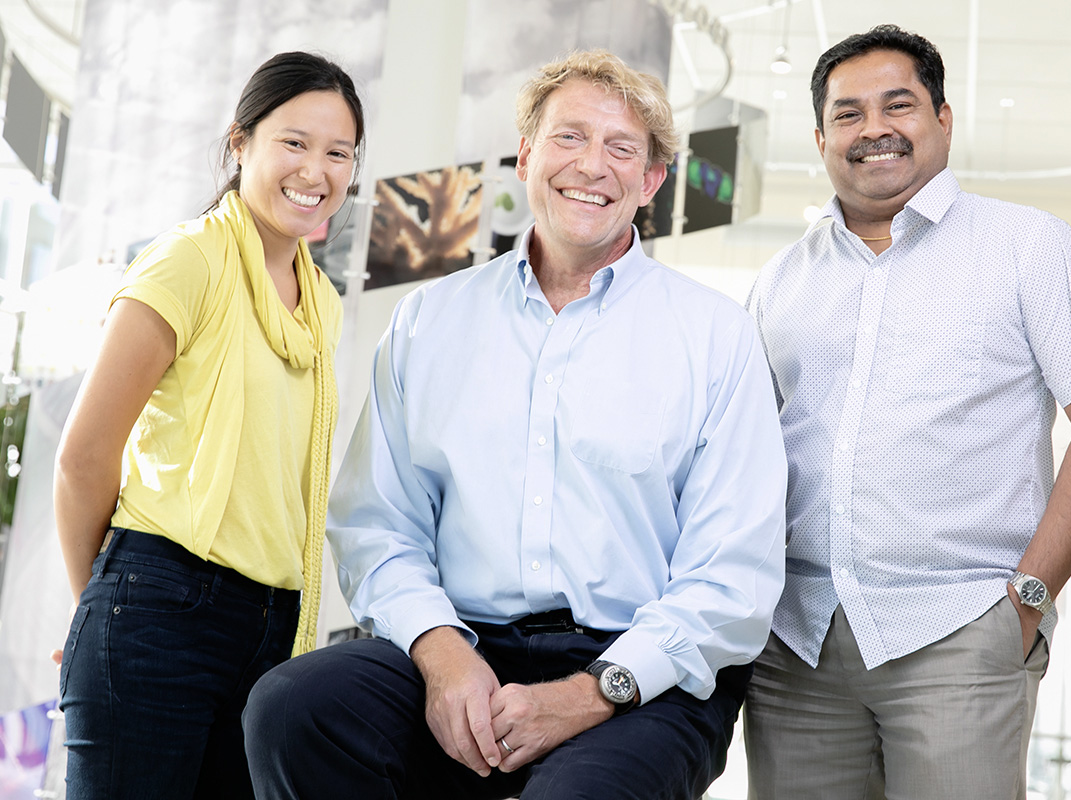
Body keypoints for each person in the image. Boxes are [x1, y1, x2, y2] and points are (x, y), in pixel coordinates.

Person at [242, 48, 787, 800]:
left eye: (621, 148)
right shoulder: (429, 320)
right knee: (295, 708)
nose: (592, 166)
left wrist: (588, 693)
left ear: (651, 181)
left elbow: (732, 577)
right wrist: (441, 654)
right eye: (569, 138)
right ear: (526, 156)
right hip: (463, 645)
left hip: (641, 676)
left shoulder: (715, 337)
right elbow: (377, 525)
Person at [742, 24, 1071, 800]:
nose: (875, 129)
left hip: (959, 632)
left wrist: (1028, 601)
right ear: (822, 136)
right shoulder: (781, 279)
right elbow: (742, 454)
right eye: (850, 114)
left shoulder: (1027, 245)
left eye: (899, 105)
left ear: (943, 120)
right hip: (796, 644)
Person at [53, 51, 364, 799]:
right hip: (158, 605)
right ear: (240, 143)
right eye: (293, 142)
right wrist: (95, 610)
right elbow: (83, 459)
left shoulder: (321, 302)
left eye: (338, 153)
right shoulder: (189, 260)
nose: (315, 171)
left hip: (270, 627)